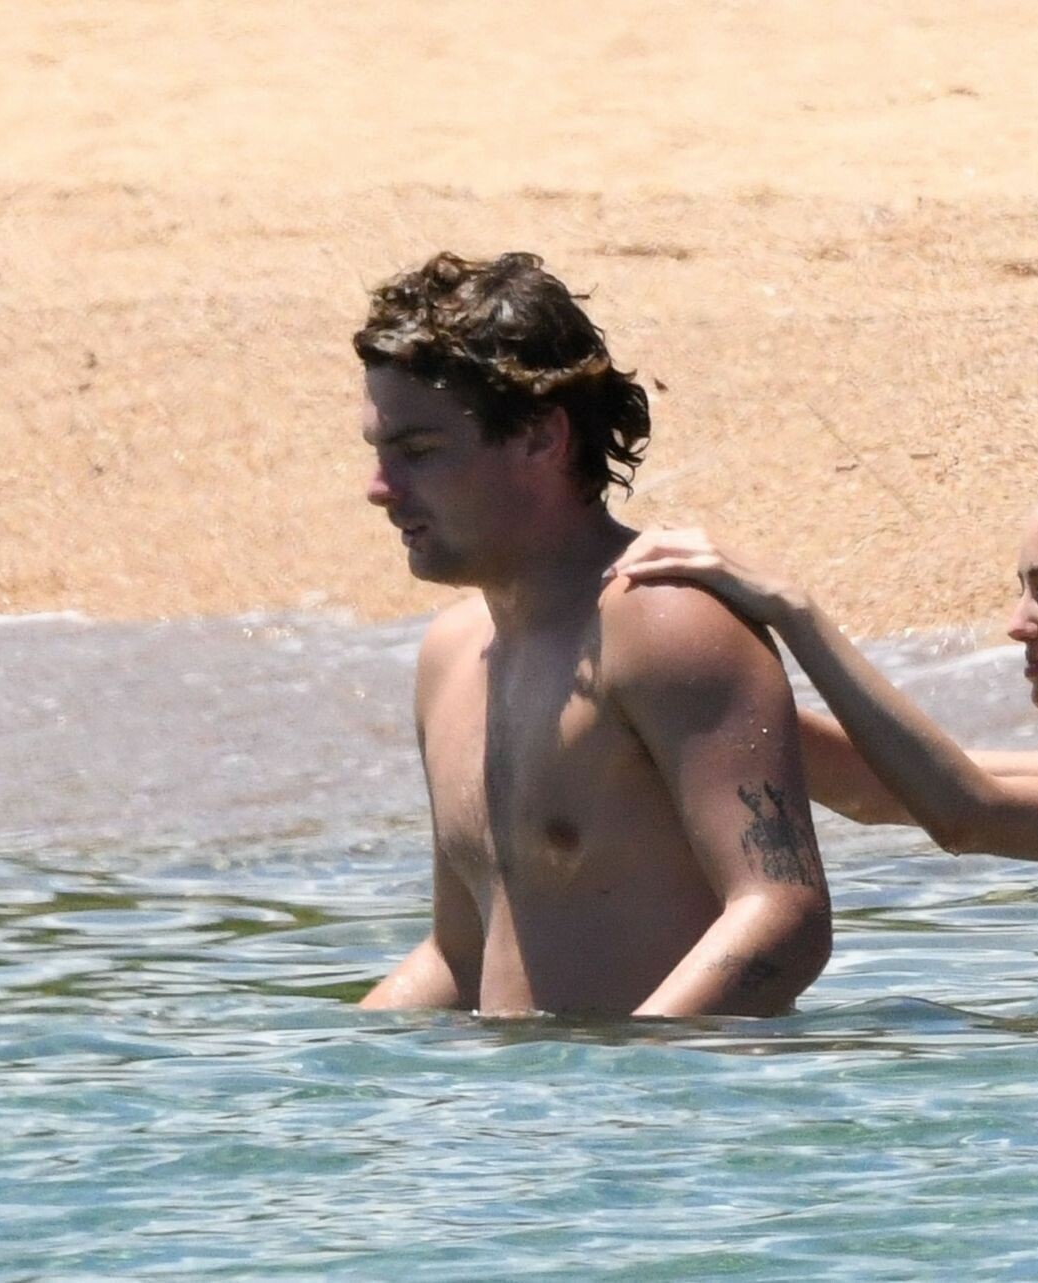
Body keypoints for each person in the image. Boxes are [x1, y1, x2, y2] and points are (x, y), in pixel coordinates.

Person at [607, 446, 1038, 1018]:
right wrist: (660, 689)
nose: (1017, 622)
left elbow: (966, 814)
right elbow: (876, 789)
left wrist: (796, 612)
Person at [353, 251, 831, 1019]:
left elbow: (782, 914)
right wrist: (325, 1067)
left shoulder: (664, 623)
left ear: (542, 437)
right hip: (523, 1096)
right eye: (378, 452)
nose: (379, 489)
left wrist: (627, 1072)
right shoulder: (451, 655)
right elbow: (459, 956)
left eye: (418, 452)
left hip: (670, 1094)